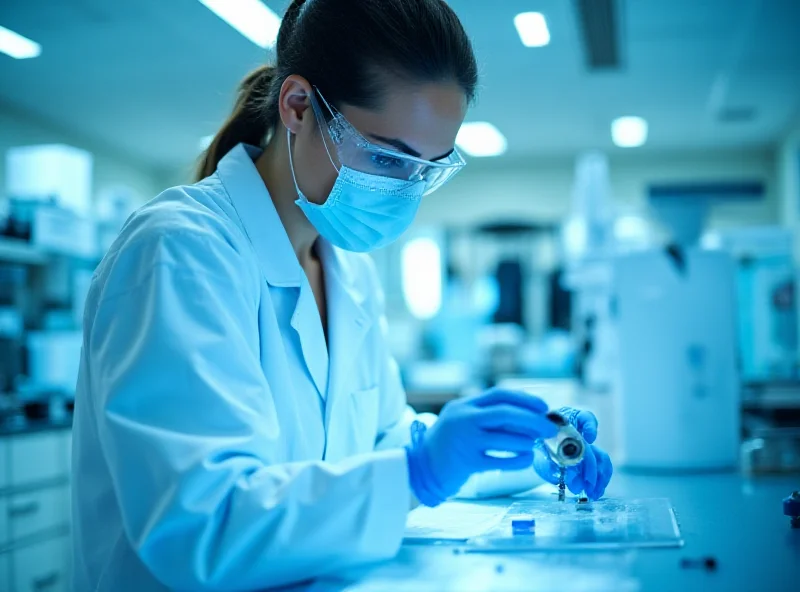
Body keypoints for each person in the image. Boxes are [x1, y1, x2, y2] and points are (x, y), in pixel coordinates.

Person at [71, 1, 613, 590]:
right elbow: (202, 524)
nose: (405, 190)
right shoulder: (181, 251)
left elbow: (376, 443)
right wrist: (421, 472)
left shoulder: (348, 271)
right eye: (385, 155)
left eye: (426, 169)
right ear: (299, 107)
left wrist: (511, 451)